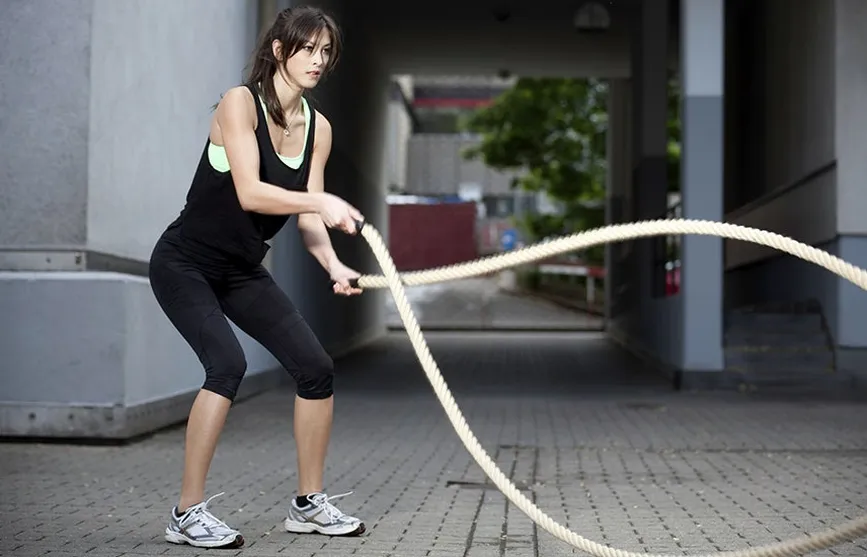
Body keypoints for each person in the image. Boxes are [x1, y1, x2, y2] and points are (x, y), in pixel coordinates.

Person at [147, 6, 365, 550]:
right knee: (226, 364)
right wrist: (319, 198)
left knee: (316, 367)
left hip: (241, 270)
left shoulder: (319, 129)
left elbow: (308, 217)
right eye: (307, 49)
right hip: (185, 262)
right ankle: (186, 512)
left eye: (325, 52)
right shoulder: (238, 103)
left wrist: (335, 266)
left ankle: (307, 504)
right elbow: (251, 192)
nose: (318, 61)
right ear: (277, 50)